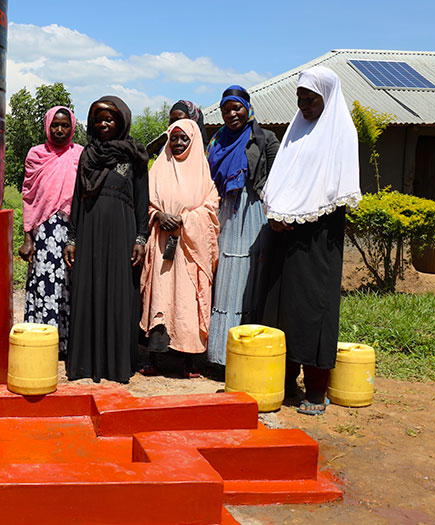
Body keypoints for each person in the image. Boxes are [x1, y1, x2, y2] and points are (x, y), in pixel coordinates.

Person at [260, 66, 361, 415]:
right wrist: (276, 214)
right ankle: (285, 381)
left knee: (312, 309)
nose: (303, 105)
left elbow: (333, 189)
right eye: (300, 98)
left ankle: (316, 390)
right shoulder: (295, 131)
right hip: (284, 234)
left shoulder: (340, 133)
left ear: (327, 97)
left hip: (318, 237)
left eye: (310, 98)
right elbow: (281, 180)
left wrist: (296, 214)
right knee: (281, 307)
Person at [63, 96, 150, 383]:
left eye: (109, 119)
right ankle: (86, 364)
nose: (103, 124)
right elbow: (77, 198)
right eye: (98, 119)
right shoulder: (88, 155)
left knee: (118, 293)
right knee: (88, 289)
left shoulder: (134, 155)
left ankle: (115, 365)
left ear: (121, 122)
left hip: (122, 233)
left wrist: (141, 238)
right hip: (89, 230)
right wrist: (72, 238)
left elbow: (142, 199)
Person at [205, 85, 280, 373]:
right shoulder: (217, 140)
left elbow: (276, 178)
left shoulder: (264, 138)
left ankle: (246, 352)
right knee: (223, 277)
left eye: (236, 108)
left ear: (248, 108)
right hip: (223, 211)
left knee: (247, 279)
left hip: (251, 212)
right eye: (226, 110)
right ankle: (219, 354)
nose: (231, 114)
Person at [139, 119, 219, 377]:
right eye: (173, 138)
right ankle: (155, 357)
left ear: (194, 141)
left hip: (190, 249)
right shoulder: (158, 168)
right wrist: (158, 215)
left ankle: (189, 360)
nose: (178, 143)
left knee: (187, 299)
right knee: (160, 296)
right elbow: (145, 202)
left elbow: (211, 208)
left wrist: (186, 219)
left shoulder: (203, 173)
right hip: (162, 244)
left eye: (184, 138)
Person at [19, 106, 83, 355]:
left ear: (72, 127)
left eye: (65, 125)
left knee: (70, 284)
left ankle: (68, 343)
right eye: (55, 125)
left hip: (74, 230)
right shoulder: (36, 155)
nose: (59, 130)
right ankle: (43, 342)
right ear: (47, 126)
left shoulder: (80, 154)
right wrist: (27, 237)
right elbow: (28, 196)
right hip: (44, 232)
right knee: (45, 284)